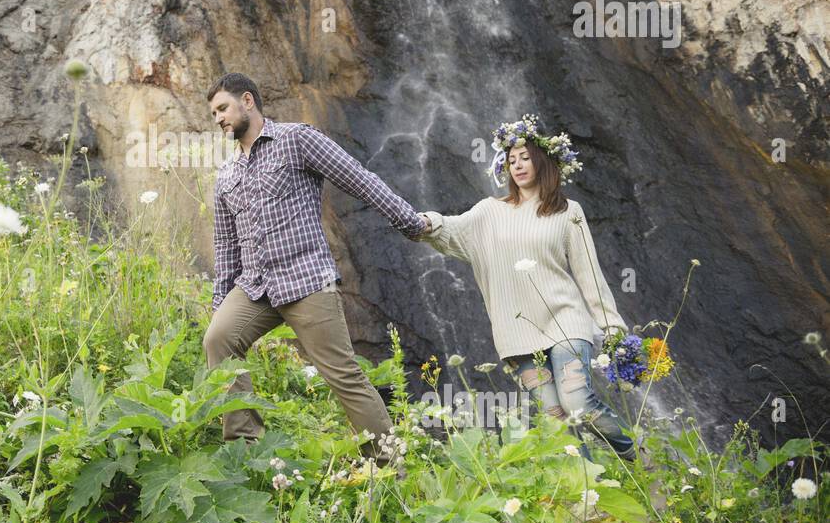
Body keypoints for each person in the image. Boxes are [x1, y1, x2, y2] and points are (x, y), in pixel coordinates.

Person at [202, 72, 427, 463]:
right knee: (217, 339)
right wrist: (220, 302)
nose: (219, 118)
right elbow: (226, 247)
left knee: (343, 375)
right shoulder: (227, 175)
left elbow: (359, 180)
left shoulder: (296, 140)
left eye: (223, 108)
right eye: (214, 113)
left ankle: (392, 467)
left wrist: (409, 221)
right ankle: (247, 454)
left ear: (248, 101)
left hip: (305, 280)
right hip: (255, 287)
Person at [416, 114, 640, 462]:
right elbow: (452, 230)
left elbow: (589, 273)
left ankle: (634, 454)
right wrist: (426, 222)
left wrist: (611, 327)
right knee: (557, 421)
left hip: (566, 322)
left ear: (543, 161)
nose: (517, 165)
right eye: (510, 160)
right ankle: (589, 496)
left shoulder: (568, 212)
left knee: (576, 401)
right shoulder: (489, 211)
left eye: (524, 157)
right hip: (517, 333)